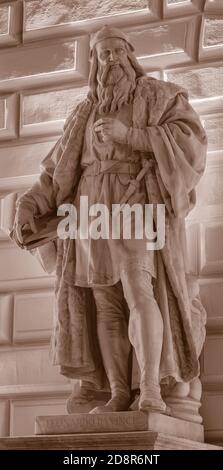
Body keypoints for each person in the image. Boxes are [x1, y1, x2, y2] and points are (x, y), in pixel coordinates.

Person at [13, 26, 207, 415]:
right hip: (89, 212)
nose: (113, 60)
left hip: (136, 205)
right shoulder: (82, 113)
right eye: (105, 54)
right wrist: (29, 204)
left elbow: (189, 140)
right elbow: (56, 172)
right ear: (94, 64)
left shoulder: (158, 96)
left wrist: (130, 135)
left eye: (119, 51)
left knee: (139, 289)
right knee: (105, 304)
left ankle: (150, 386)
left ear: (130, 56)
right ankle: (119, 392)